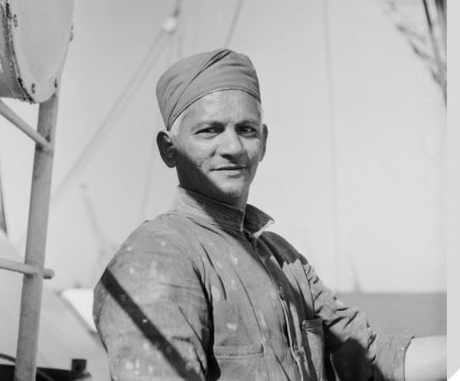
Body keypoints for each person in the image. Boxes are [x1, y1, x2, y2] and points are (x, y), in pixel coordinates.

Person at [93, 49, 445, 381]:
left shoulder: (283, 259)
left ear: (263, 142)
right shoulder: (160, 255)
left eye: (245, 130)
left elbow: (369, 359)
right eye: (209, 130)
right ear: (169, 150)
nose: (232, 148)